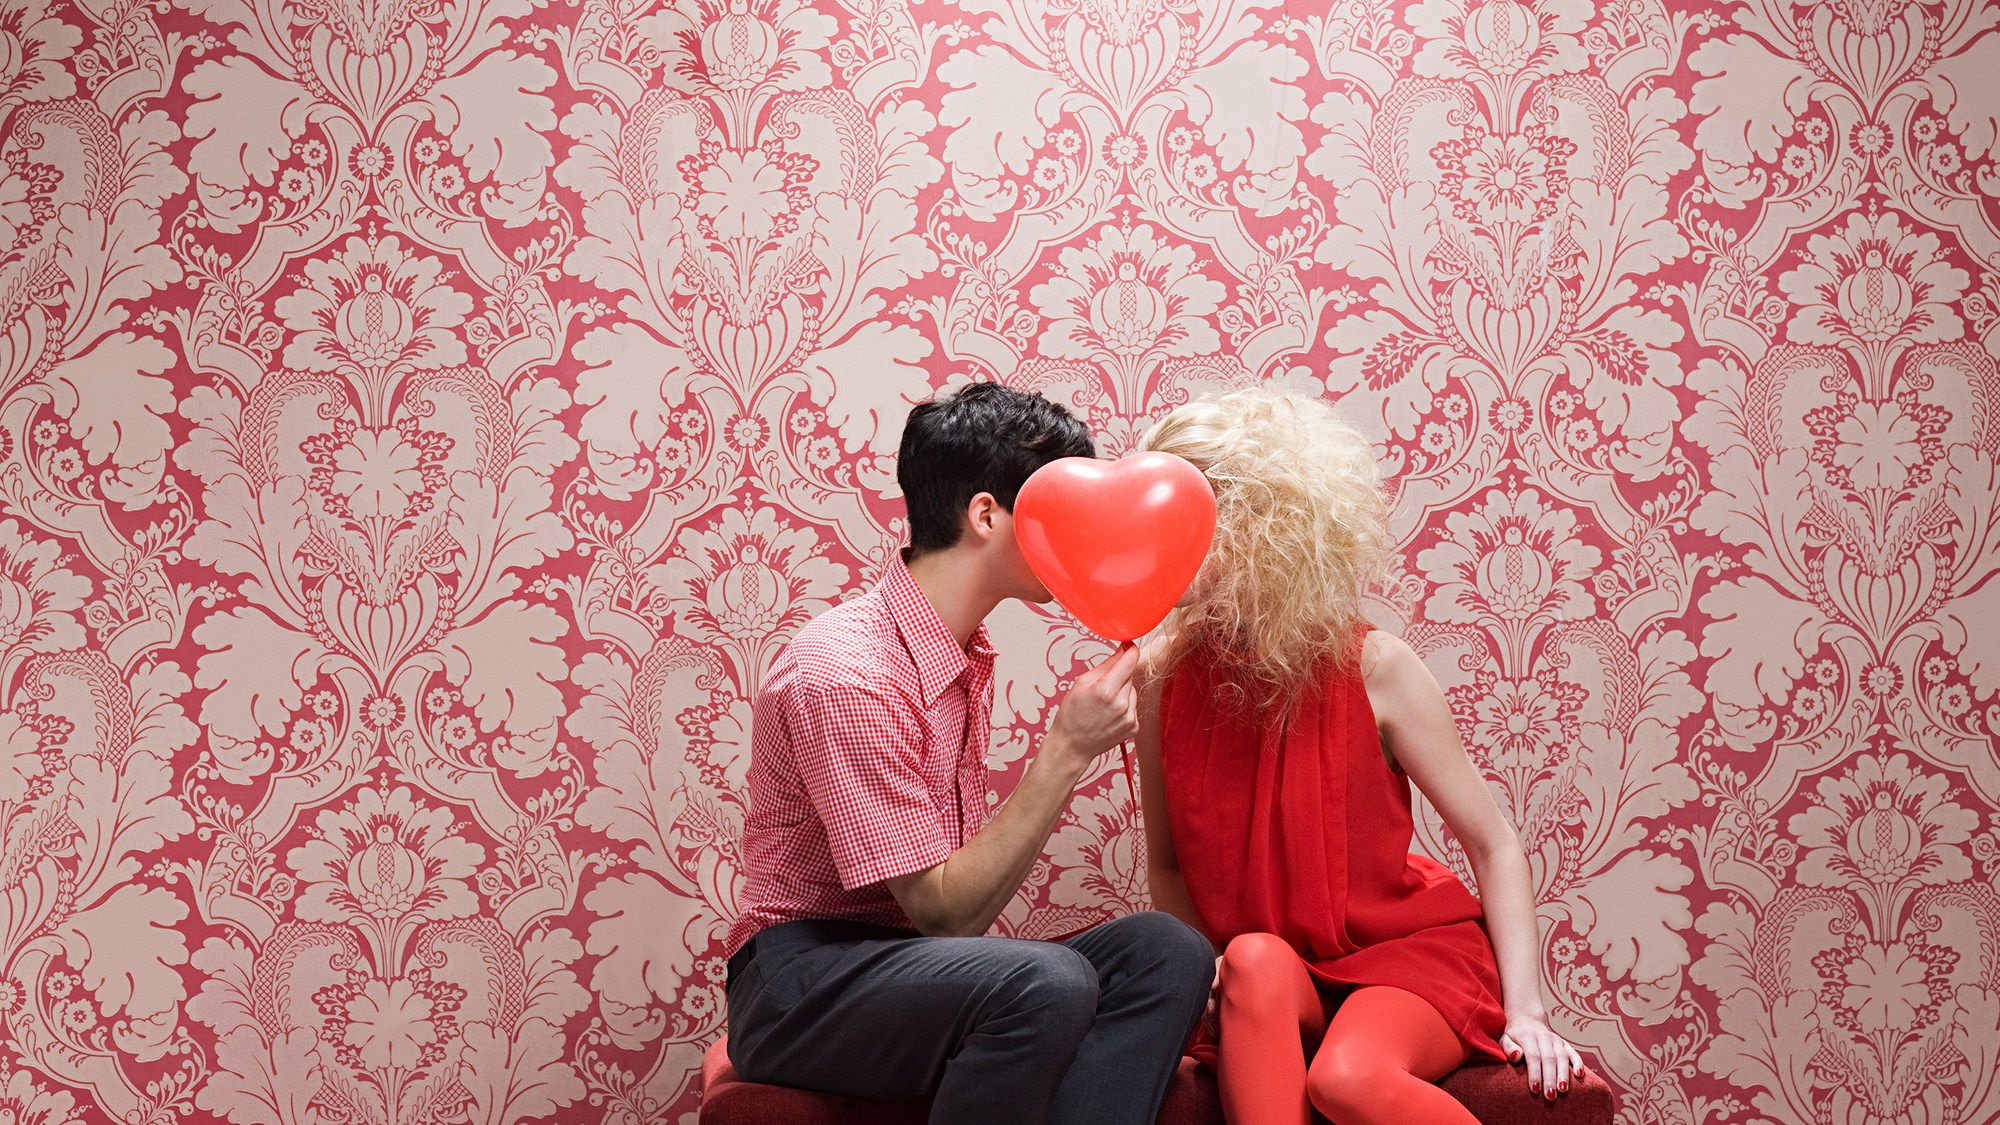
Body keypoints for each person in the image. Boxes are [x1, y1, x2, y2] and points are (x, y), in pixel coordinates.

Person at [724, 382, 1214, 1125]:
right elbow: (945, 916)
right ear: (987, 514)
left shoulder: (962, 652)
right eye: (1060, 513)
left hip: (905, 967)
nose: (1081, 536)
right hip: (801, 984)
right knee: (1046, 982)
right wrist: (1068, 748)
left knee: (1167, 951)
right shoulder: (845, 671)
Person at [1134, 389, 1586, 1125]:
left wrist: (1527, 1009)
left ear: (1258, 525)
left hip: (1409, 958)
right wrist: (1205, 967)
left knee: (1344, 1079)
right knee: (1248, 956)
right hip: (1279, 974)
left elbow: (1494, 841)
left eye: (1179, 516)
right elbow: (1168, 867)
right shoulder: (1160, 679)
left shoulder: (1375, 665)